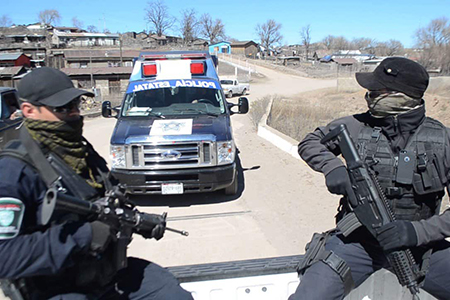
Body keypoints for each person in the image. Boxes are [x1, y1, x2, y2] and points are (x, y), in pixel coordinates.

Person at [0, 67, 194, 300]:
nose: (73, 114)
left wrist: (137, 222)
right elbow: (5, 256)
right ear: (29, 111)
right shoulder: (13, 171)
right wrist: (85, 236)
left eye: (75, 105)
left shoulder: (80, 151)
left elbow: (111, 200)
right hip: (54, 286)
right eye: (62, 108)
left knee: (173, 295)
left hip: (104, 274)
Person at [290, 57, 450, 300]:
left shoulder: (443, 140)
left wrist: (417, 232)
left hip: (421, 247)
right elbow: (310, 142)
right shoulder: (355, 126)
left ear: (401, 95)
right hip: (358, 244)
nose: (369, 94)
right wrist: (333, 167)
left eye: (377, 90)